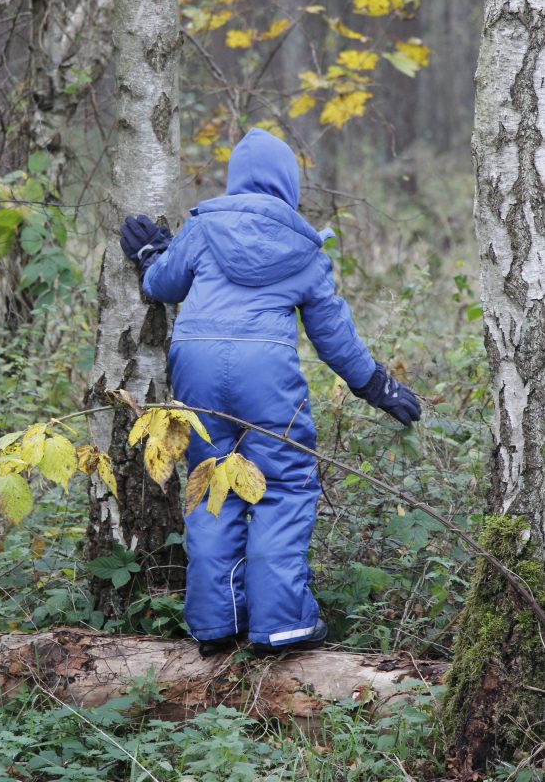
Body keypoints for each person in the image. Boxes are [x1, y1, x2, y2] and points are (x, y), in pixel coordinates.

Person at [120, 128, 420, 657]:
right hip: (265, 373)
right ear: (289, 184)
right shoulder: (303, 247)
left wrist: (150, 255)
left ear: (237, 179)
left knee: (211, 483)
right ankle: (281, 624)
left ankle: (216, 622)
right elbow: (333, 336)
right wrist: (377, 384)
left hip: (196, 363)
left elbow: (162, 284)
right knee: (282, 486)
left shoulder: (204, 227)